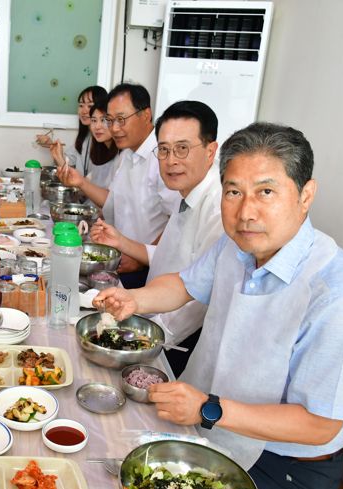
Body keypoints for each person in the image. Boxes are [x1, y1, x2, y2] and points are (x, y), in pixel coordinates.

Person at [94, 122, 343, 489]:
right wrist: (134, 299)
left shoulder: (340, 297)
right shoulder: (238, 247)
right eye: (233, 192)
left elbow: (320, 425)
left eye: (266, 191)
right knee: (109, 465)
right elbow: (183, 285)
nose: (246, 211)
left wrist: (209, 408)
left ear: (305, 195)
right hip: (216, 425)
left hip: (285, 465)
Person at [91, 101, 224, 376]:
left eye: (182, 149)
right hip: (152, 315)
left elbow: (201, 294)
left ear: (211, 151)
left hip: (177, 337)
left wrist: (151, 337)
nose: (171, 160)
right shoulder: (186, 192)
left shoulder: (218, 207)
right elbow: (166, 257)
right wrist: (122, 242)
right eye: (163, 150)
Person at [59, 83, 177, 288]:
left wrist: (141, 258)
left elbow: (175, 220)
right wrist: (80, 183)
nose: (114, 128)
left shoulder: (162, 157)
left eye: (121, 120)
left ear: (146, 114)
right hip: (121, 259)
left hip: (147, 270)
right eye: (110, 121)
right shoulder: (127, 155)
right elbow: (112, 201)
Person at [51, 91, 118, 192]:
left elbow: (108, 199)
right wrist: (58, 157)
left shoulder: (121, 154)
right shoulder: (95, 143)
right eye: (94, 120)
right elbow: (81, 185)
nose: (84, 111)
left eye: (104, 120)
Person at [45, 86, 108, 178]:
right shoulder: (84, 138)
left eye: (90, 106)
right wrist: (56, 152)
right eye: (81, 105)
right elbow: (67, 163)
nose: (84, 111)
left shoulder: (106, 143)